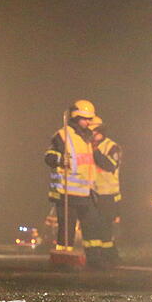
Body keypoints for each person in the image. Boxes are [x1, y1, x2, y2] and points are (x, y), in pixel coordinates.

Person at [43, 99, 100, 265]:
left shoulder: (87, 137)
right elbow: (48, 157)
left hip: (86, 192)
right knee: (66, 229)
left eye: (90, 119)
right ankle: (63, 258)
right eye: (85, 119)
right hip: (67, 192)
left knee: (91, 227)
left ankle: (94, 258)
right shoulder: (62, 136)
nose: (88, 122)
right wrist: (61, 159)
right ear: (75, 117)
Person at [90, 116, 122, 266]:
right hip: (92, 192)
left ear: (99, 131)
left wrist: (95, 151)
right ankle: (97, 257)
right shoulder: (87, 146)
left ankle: (110, 256)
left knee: (105, 227)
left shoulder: (112, 147)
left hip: (108, 194)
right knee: (93, 227)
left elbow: (110, 165)